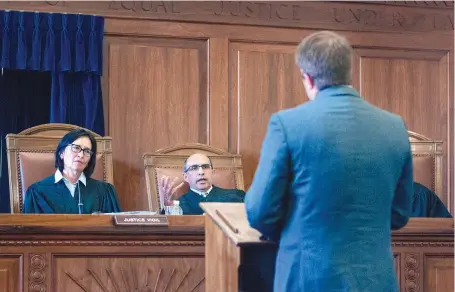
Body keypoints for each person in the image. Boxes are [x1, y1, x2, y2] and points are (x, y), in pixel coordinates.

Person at [245, 31, 413, 292]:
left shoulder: (288, 124)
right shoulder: (394, 127)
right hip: (375, 281)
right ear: (348, 71)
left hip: (308, 278)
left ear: (308, 77)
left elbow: (259, 211)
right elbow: (400, 214)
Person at [23, 129, 122, 214]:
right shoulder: (37, 193)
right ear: (61, 153)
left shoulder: (104, 191)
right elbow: (29, 234)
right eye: (76, 148)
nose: (81, 155)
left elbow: (117, 233)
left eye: (87, 151)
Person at [159, 153, 245, 215]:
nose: (201, 172)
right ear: (186, 177)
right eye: (194, 168)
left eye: (205, 167)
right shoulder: (178, 205)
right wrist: (169, 208)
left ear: (212, 172)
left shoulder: (237, 196)